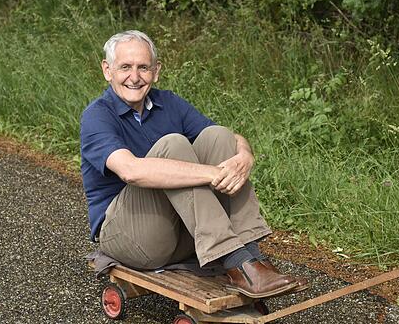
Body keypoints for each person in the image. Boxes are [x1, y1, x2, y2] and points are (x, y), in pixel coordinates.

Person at [80, 30, 301, 298]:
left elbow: (229, 137)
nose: (135, 77)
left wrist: (244, 155)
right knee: (173, 145)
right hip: (131, 238)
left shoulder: (169, 103)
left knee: (217, 136)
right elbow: (131, 170)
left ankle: (249, 253)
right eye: (125, 67)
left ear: (156, 71)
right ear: (107, 70)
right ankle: (235, 260)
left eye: (143, 68)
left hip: (182, 234)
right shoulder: (97, 116)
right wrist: (211, 174)